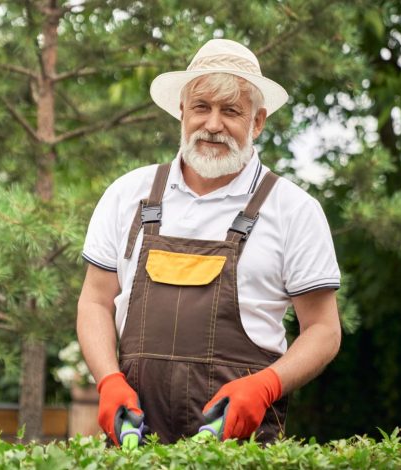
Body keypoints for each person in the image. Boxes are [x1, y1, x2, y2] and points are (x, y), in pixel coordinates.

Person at [77, 39, 341, 445]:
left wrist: (266, 386)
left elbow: (323, 329)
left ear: (257, 122)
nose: (213, 124)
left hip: (239, 444)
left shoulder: (294, 210)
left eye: (231, 111)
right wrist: (108, 380)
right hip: (134, 442)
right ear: (182, 112)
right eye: (201, 107)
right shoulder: (129, 194)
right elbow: (95, 300)